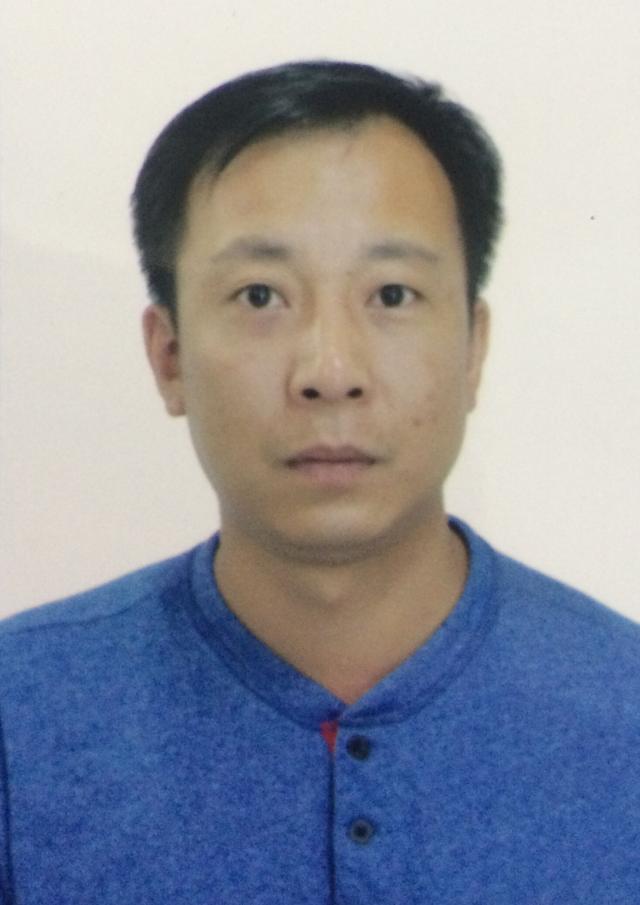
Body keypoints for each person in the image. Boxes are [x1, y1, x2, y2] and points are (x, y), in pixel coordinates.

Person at [0, 59, 638, 905]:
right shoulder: (21, 716)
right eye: (260, 295)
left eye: (393, 293)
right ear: (170, 356)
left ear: (473, 348)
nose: (330, 371)